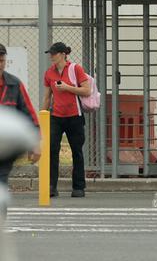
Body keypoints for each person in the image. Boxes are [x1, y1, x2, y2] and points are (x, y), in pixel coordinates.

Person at [42, 42, 91, 198]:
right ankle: (51, 186)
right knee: (52, 150)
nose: (51, 56)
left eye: (54, 53)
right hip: (56, 116)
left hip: (74, 116)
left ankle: (78, 187)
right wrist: (43, 114)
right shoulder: (49, 73)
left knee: (76, 151)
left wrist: (67, 88)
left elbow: (87, 91)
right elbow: (47, 96)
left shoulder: (75, 69)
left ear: (63, 54)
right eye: (50, 53)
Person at [0, 43, 41, 186]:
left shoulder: (14, 84)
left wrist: (34, 144)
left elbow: (29, 114)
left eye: (1, 61)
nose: (0, 64)